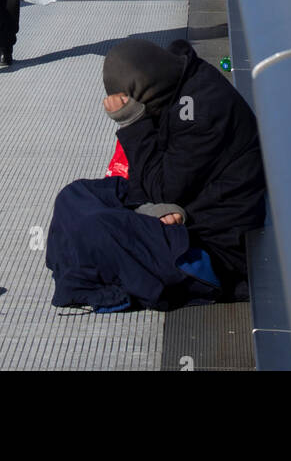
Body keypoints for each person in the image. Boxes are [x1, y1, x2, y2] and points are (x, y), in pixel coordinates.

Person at [45, 37, 266, 310]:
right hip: (183, 208)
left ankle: (91, 283)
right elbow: (150, 181)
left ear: (149, 93)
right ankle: (83, 271)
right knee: (74, 194)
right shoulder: (177, 83)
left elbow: (161, 188)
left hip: (212, 246)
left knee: (98, 228)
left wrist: (132, 123)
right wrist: (149, 208)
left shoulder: (201, 113)